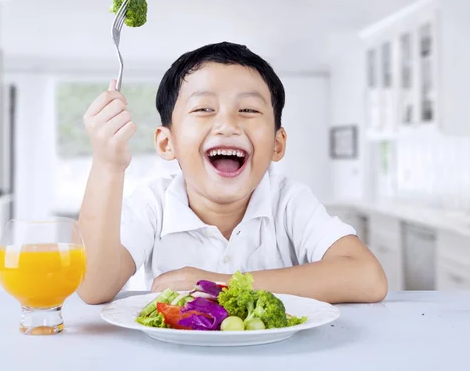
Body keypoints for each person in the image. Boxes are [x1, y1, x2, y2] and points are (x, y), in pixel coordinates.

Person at [76, 42, 387, 305]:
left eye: (249, 110)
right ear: (166, 142)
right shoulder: (152, 204)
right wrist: (108, 164)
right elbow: (92, 288)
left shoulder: (289, 201)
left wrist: (217, 284)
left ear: (277, 144)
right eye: (204, 109)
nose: (228, 124)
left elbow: (367, 277)